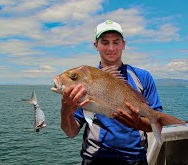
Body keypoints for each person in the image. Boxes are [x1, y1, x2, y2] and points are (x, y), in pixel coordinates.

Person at [60, 20, 163, 165]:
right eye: (105, 42)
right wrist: (65, 110)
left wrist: (137, 122)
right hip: (94, 159)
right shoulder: (82, 83)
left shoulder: (143, 77)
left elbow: (155, 122)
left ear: (123, 44)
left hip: (134, 158)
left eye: (116, 42)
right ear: (96, 45)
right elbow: (71, 132)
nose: (111, 48)